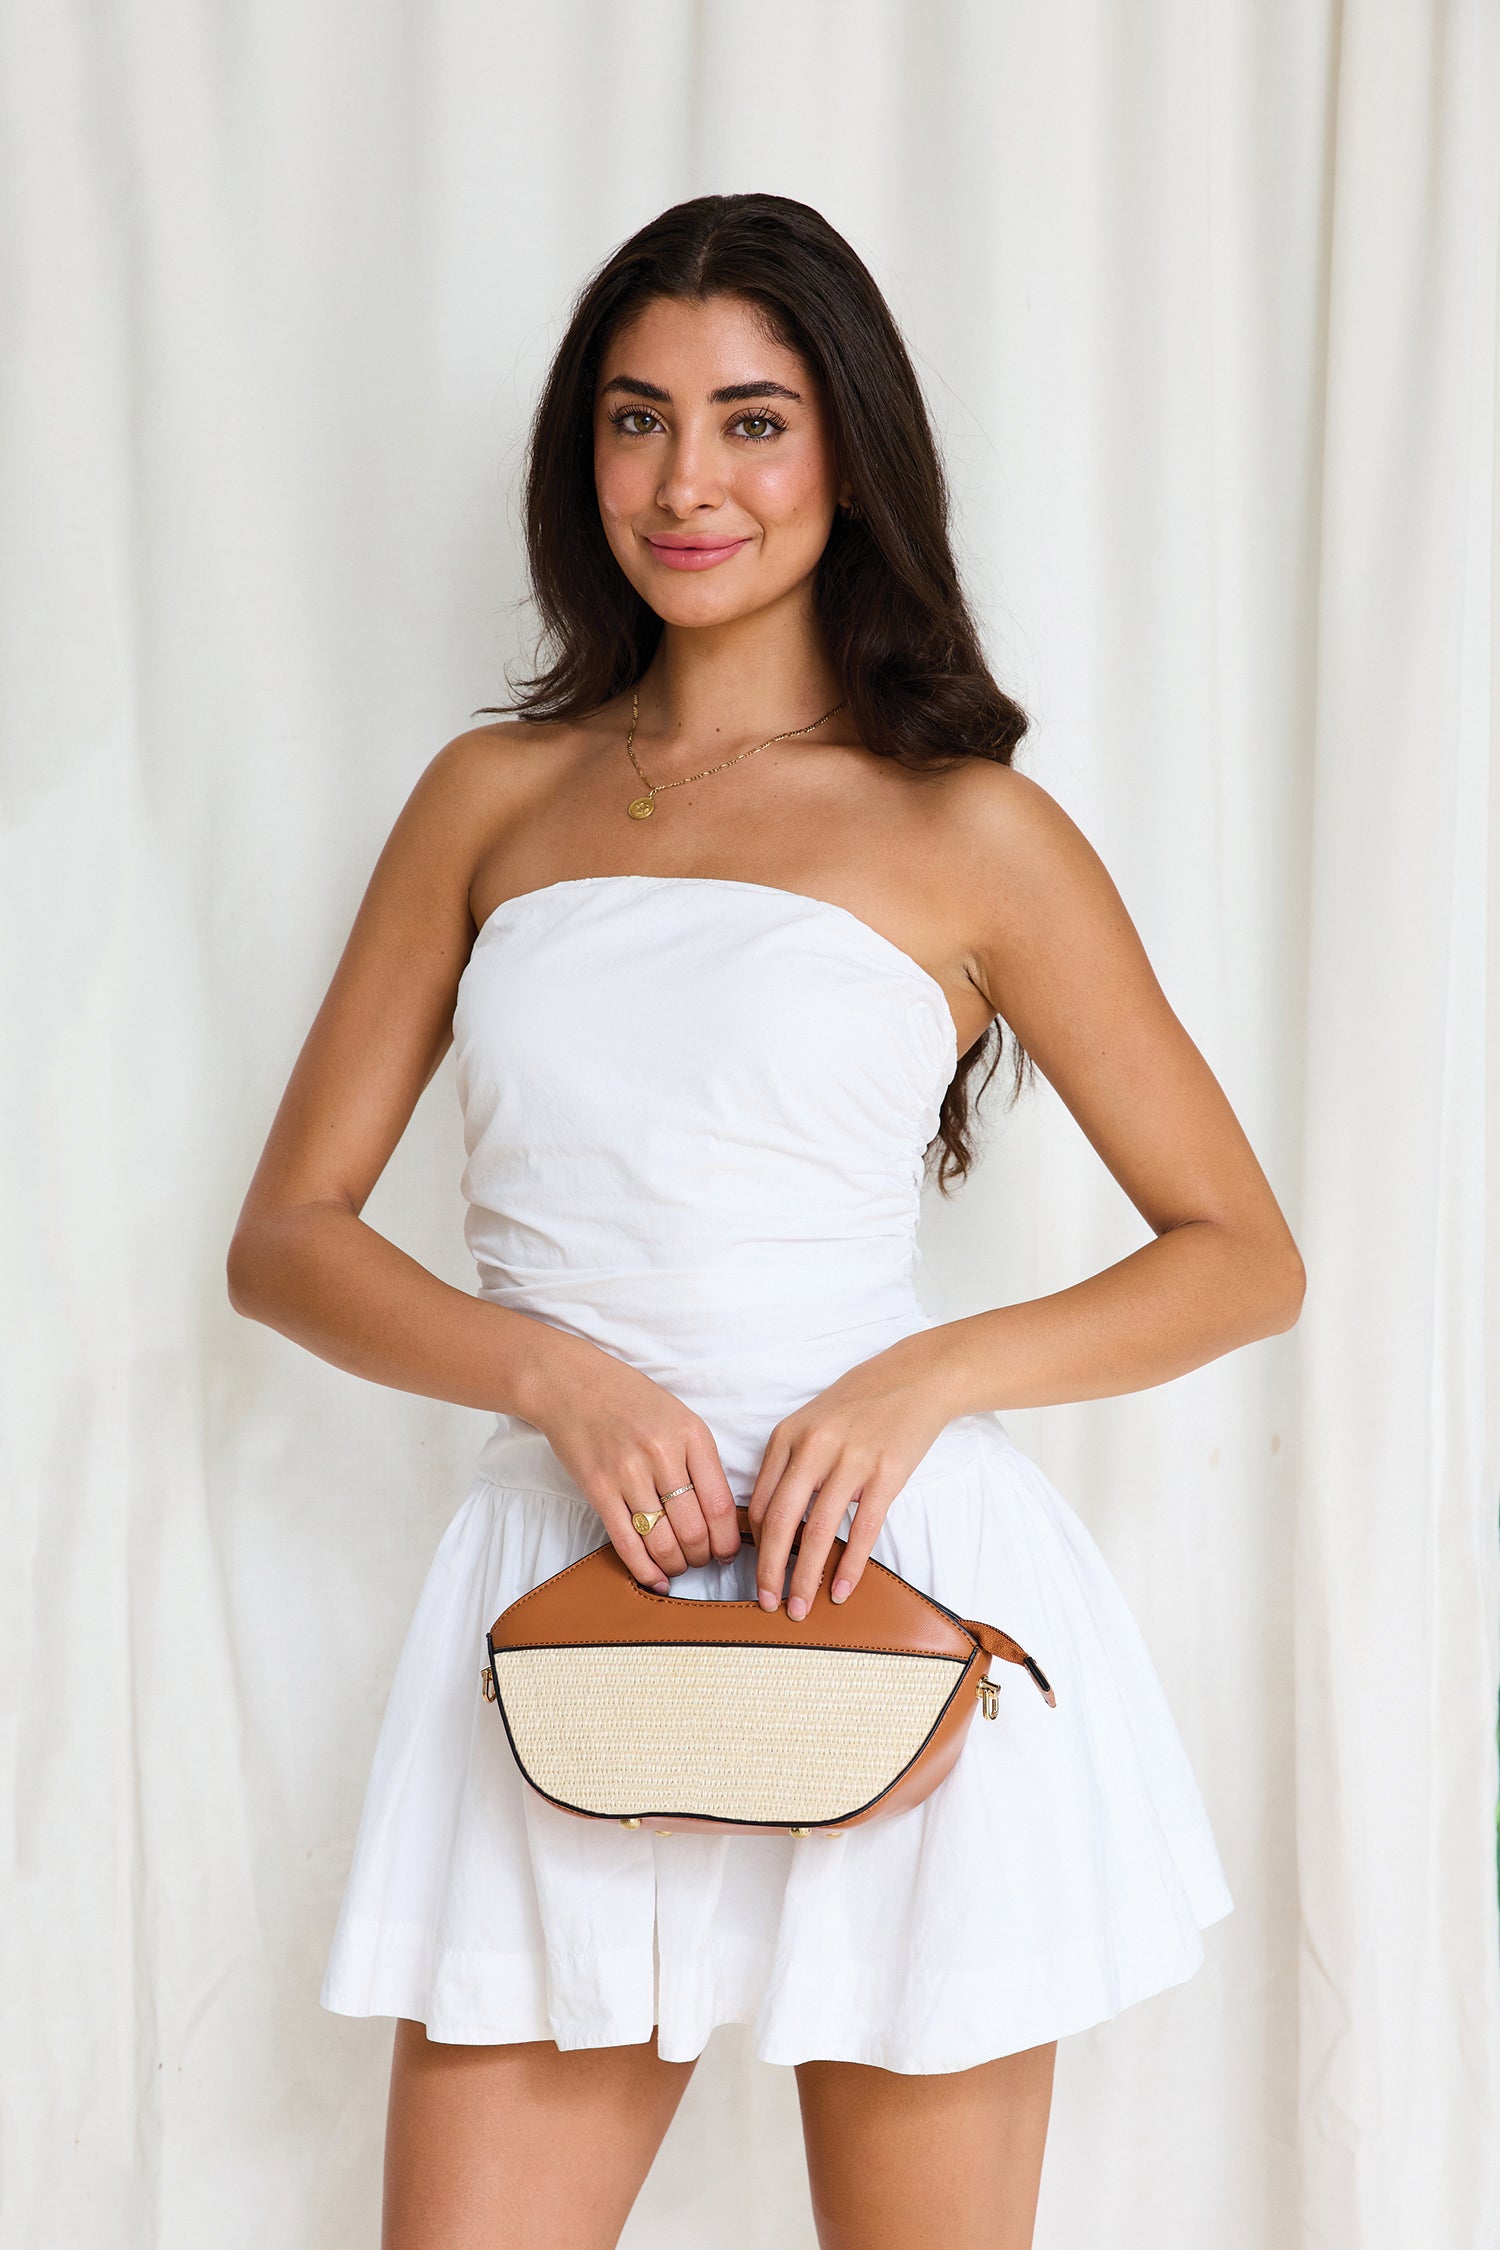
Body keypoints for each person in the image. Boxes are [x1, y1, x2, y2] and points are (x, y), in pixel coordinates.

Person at [227, 192, 1304, 2250]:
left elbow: (1242, 1249)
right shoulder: (491, 797)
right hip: (573, 1574)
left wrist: (921, 1382)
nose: (685, 482)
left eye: (752, 420)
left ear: (851, 453)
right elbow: (287, 1233)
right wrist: (552, 1375)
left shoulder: (970, 826)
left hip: (890, 1569)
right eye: (636, 419)